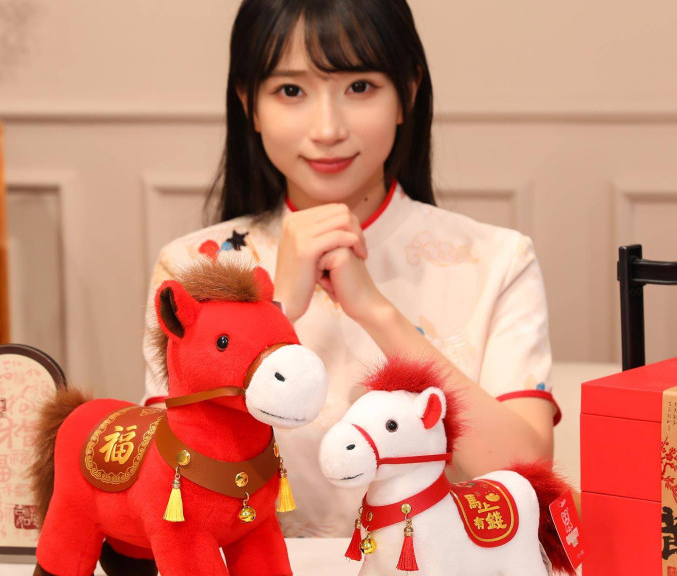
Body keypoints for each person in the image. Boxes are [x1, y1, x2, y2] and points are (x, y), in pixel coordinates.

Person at [142, 0, 561, 536]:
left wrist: (377, 313)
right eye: (290, 91)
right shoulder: (189, 269)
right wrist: (276, 313)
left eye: (359, 87)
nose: (327, 129)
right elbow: (166, 484)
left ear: (408, 93)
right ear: (249, 103)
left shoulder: (498, 260)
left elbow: (526, 477)